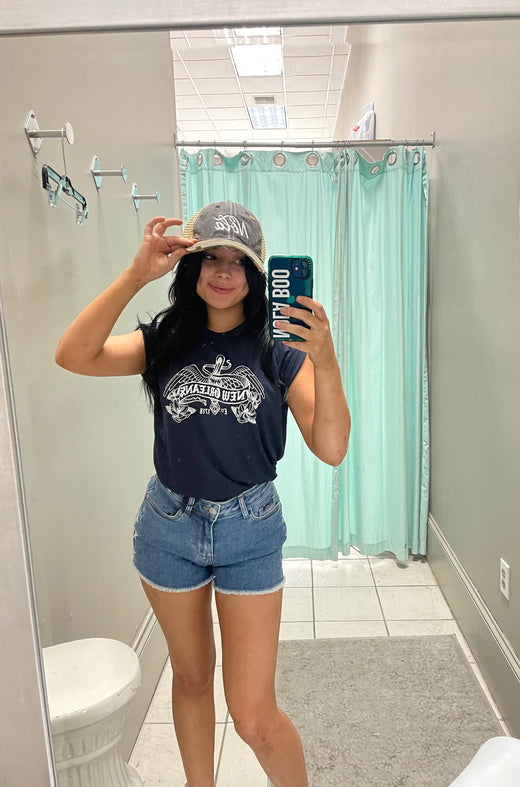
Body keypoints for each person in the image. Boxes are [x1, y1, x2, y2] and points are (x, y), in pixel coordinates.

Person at [55, 201, 350, 787]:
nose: (222, 272)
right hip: (168, 526)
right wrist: (135, 275)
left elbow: (332, 447)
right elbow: (73, 355)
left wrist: (326, 359)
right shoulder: (166, 340)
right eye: (209, 257)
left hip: (249, 528)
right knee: (191, 679)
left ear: (256, 273)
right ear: (190, 267)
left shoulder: (279, 348)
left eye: (236, 261)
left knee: (252, 714)